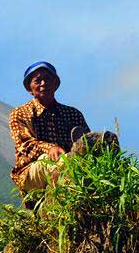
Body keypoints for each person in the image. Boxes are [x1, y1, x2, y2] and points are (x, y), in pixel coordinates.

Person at [9, 61, 90, 193]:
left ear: (55, 84)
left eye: (47, 79)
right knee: (50, 160)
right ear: (29, 89)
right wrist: (49, 148)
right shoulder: (20, 113)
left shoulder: (73, 114)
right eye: (37, 80)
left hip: (70, 163)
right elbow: (24, 145)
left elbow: (86, 143)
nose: (43, 83)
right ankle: (69, 197)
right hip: (31, 171)